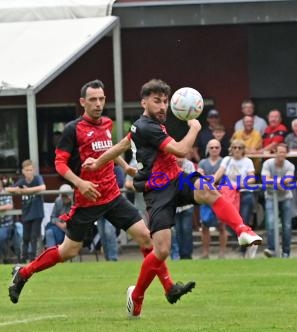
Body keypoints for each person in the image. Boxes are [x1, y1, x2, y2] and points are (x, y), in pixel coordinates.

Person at [83, 79, 262, 317]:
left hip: (176, 179)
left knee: (209, 189)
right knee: (162, 251)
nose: (163, 106)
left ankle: (242, 230)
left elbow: (122, 144)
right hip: (157, 191)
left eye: (165, 101)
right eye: (157, 101)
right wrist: (195, 129)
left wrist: (98, 161)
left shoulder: (145, 125)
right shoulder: (147, 126)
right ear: (143, 102)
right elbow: (179, 150)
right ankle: (136, 296)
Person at [8, 79, 193, 309]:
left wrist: (125, 167)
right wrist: (80, 183)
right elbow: (59, 164)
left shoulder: (106, 123)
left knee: (146, 237)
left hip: (113, 196)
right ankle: (24, 272)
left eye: (101, 99)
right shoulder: (72, 129)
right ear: (82, 102)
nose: (98, 104)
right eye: (93, 99)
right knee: (69, 251)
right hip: (88, 199)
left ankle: (169, 287)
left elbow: (109, 148)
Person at [213, 138, 258, 257]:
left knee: (243, 220)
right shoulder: (227, 160)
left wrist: (239, 184)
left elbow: (252, 178)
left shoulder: (247, 161)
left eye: (240, 148)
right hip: (229, 194)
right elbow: (219, 172)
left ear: (243, 150)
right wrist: (212, 181)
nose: (237, 150)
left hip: (244, 193)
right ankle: (251, 241)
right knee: (229, 222)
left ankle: (244, 249)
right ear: (231, 149)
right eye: (234, 147)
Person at [6, 160, 45, 262]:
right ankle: (23, 258)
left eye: (31, 170)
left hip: (37, 213)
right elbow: (8, 189)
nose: (29, 172)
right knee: (25, 237)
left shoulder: (38, 178)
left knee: (34, 236)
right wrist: (17, 190)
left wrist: (26, 190)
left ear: (34, 170)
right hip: (26, 214)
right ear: (23, 171)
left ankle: (33, 258)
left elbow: (43, 187)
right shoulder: (22, 181)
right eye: (27, 170)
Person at [261, 143, 295, 258]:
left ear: (286, 153)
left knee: (287, 225)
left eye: (283, 152)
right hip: (270, 196)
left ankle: (286, 252)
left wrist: (275, 182)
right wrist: (280, 183)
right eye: (279, 152)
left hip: (286, 197)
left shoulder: (289, 166)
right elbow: (265, 179)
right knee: (270, 223)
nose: (281, 154)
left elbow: (288, 179)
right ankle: (271, 249)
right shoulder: (267, 163)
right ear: (275, 153)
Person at [197, 139, 228, 259]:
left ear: (220, 149)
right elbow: (199, 179)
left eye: (217, 147)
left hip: (220, 196)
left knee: (221, 225)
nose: (214, 149)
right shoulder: (202, 163)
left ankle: (222, 253)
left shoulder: (224, 162)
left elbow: (226, 179)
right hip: (205, 197)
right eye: (212, 147)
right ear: (207, 149)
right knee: (204, 225)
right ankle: (205, 253)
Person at [97, 163, 125, 261]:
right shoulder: (98, 169)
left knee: (109, 231)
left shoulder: (117, 169)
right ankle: (107, 258)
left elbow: (121, 183)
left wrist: (104, 185)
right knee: (102, 233)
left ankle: (113, 258)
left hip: (113, 206)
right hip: (100, 206)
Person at [44, 184, 73, 248]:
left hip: (72, 227)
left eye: (66, 196)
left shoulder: (75, 202)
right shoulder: (58, 201)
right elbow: (52, 217)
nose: (65, 198)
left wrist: (68, 224)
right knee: (49, 232)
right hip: (59, 226)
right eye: (63, 196)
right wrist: (59, 224)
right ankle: (52, 254)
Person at [0, 179, 16, 262]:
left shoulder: (6, 193)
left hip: (6, 225)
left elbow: (10, 206)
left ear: (1, 185)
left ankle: (6, 257)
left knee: (1, 236)